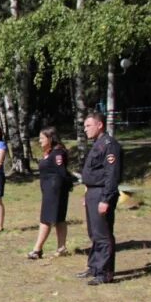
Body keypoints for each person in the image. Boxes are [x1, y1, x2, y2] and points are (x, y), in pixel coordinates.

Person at [78, 112, 123, 285]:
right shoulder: (97, 144)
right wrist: (87, 193)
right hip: (93, 193)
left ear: (100, 125)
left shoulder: (109, 145)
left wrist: (105, 199)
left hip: (102, 193)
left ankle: (105, 273)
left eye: (88, 125)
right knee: (94, 233)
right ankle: (95, 267)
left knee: (103, 234)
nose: (85, 129)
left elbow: (112, 175)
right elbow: (93, 172)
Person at [28, 127, 71, 259]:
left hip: (55, 191)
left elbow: (62, 172)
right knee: (59, 219)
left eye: (42, 138)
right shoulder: (50, 152)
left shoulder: (58, 152)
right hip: (49, 190)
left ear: (50, 138)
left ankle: (37, 249)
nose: (39, 140)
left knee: (46, 219)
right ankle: (61, 247)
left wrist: (66, 186)